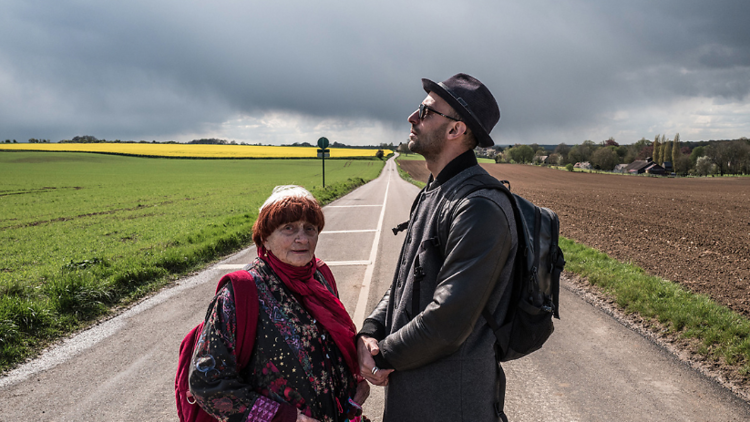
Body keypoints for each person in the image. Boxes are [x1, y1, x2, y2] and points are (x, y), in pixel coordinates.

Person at [356, 73, 517, 421]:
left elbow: (448, 321)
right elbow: (406, 281)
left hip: (451, 404)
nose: (413, 118)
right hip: (414, 397)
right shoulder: (435, 191)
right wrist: (371, 330)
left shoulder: (478, 207)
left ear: (455, 130)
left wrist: (383, 355)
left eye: (426, 111)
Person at [189, 185, 369, 422]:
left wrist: (353, 384)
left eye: (310, 229)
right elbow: (206, 381)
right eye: (288, 228)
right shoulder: (241, 292)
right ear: (265, 237)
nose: (302, 238)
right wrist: (287, 418)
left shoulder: (320, 276)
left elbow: (333, 341)